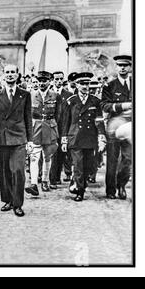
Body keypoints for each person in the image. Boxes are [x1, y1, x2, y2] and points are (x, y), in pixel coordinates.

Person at [0, 64, 32, 217]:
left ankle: (18, 204)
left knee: (18, 171)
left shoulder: (25, 94)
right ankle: (8, 200)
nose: (10, 75)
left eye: (13, 72)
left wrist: (30, 140)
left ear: (18, 75)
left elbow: (28, 118)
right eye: (7, 72)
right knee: (5, 171)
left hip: (19, 138)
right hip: (2, 138)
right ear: (3, 75)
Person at [62, 72, 106, 201]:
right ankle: (80, 191)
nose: (85, 86)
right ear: (76, 85)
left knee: (88, 165)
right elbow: (66, 122)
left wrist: (101, 136)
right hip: (75, 136)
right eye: (82, 84)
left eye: (87, 83)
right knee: (78, 164)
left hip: (90, 137)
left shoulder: (95, 101)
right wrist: (64, 140)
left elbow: (99, 120)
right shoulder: (71, 101)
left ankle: (77, 182)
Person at [100, 55, 133, 200]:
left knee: (128, 159)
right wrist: (123, 106)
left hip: (131, 125)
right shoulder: (110, 86)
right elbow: (104, 105)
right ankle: (111, 190)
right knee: (112, 159)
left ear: (130, 67)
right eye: (120, 65)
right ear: (116, 67)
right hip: (114, 124)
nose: (123, 68)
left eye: (126, 65)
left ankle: (121, 185)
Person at [25, 71, 60, 196]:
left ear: (49, 81)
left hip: (50, 127)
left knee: (47, 156)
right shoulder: (31, 95)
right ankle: (34, 183)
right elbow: (27, 115)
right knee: (34, 156)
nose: (41, 83)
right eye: (39, 81)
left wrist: (57, 131)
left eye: (44, 81)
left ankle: (45, 180)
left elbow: (59, 115)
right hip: (36, 128)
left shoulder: (55, 96)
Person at [49, 71, 73, 187]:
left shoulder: (68, 94)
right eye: (56, 79)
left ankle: (57, 176)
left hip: (64, 127)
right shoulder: (49, 93)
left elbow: (69, 114)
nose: (58, 82)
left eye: (61, 79)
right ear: (53, 80)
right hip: (51, 127)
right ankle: (52, 179)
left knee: (61, 153)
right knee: (53, 153)